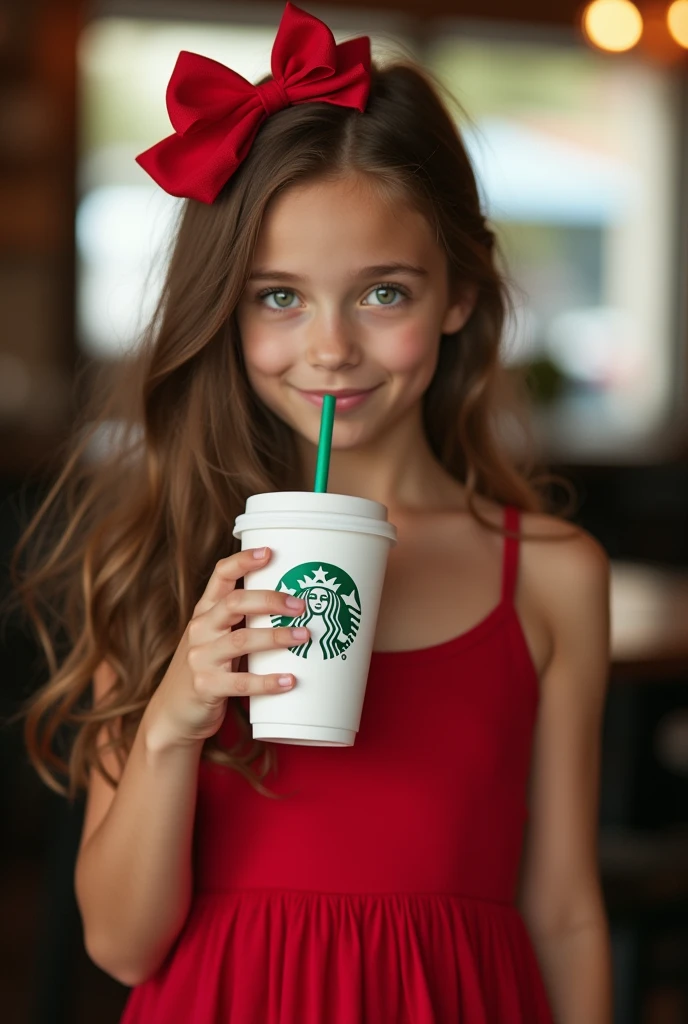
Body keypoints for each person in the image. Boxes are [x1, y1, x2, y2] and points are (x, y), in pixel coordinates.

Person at [14, 3, 614, 1021]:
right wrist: (175, 718)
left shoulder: (553, 574)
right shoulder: (166, 558)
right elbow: (120, 946)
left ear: (459, 294)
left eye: (383, 294)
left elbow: (559, 907)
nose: (330, 347)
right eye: (277, 297)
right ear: (224, 309)